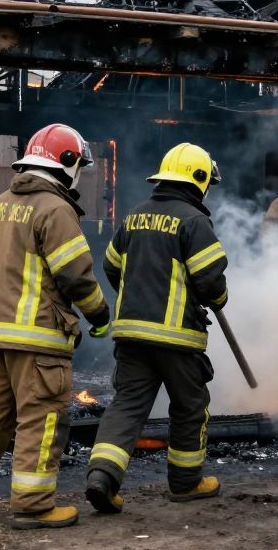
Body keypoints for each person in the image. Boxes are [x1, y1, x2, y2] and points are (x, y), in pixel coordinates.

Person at [0, 124, 111, 530]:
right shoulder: (55, 210)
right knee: (42, 418)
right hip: (38, 341)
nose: (79, 174)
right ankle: (33, 506)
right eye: (78, 166)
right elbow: (76, 276)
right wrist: (99, 315)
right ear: (66, 163)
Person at [85, 143, 228, 514]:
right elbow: (211, 281)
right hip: (177, 339)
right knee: (189, 406)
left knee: (127, 406)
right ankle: (185, 483)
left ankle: (102, 477)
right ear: (199, 180)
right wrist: (219, 298)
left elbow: (112, 266)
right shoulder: (195, 222)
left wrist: (137, 297)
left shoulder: (134, 216)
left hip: (131, 334)